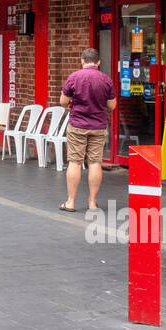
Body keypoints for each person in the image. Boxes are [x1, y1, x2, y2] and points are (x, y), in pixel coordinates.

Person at [58, 47, 116, 213]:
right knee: (95, 162)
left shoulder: (74, 77)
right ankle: (92, 202)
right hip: (98, 126)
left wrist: (72, 103)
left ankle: (70, 202)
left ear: (82, 60)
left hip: (77, 125)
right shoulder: (106, 80)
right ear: (98, 62)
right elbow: (112, 105)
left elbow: (63, 101)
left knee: (75, 162)